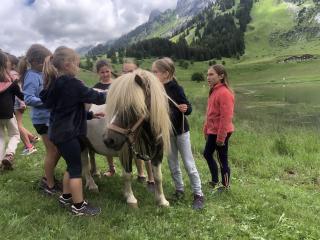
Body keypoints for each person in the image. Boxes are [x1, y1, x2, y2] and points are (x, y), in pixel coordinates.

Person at [40, 46, 106, 216]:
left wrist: (90, 115)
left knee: (71, 165)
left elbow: (67, 109)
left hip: (58, 132)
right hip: (69, 134)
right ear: (68, 64)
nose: (79, 67)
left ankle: (66, 196)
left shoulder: (54, 83)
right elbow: (97, 97)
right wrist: (117, 90)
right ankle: (79, 207)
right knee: (76, 169)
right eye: (77, 63)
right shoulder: (73, 83)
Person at [152, 57, 204, 210]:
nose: (152, 74)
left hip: (181, 131)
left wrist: (185, 108)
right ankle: (179, 190)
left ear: (166, 73)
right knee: (172, 163)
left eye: (155, 72)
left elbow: (188, 108)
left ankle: (198, 194)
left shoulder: (176, 88)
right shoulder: (156, 89)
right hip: (167, 133)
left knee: (188, 163)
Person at [20, 44, 61, 194]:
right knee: (53, 150)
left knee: (57, 150)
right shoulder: (31, 76)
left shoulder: (40, 74)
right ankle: (49, 185)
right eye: (47, 62)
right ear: (37, 62)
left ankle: (48, 177)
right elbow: (29, 98)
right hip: (42, 120)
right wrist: (49, 102)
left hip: (49, 118)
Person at [122, 59, 155, 190]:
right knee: (134, 149)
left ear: (137, 72)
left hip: (143, 124)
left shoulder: (142, 86)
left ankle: (151, 179)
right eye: (124, 71)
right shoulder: (123, 87)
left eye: (130, 71)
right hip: (130, 125)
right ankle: (141, 175)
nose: (127, 74)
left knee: (146, 152)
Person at [203, 64, 235, 190]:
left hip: (222, 132)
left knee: (222, 159)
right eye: (207, 74)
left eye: (211, 74)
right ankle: (215, 181)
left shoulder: (224, 93)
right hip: (213, 131)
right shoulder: (214, 91)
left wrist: (221, 138)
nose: (208, 77)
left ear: (221, 76)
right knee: (207, 154)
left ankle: (225, 185)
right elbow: (210, 113)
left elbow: (225, 118)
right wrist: (206, 128)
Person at [8, 54, 38, 156]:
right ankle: (32, 138)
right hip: (19, 101)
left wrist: (22, 102)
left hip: (17, 102)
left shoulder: (12, 74)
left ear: (12, 65)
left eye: (6, 61)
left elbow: (19, 89)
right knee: (18, 124)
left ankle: (29, 147)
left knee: (18, 125)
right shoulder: (14, 73)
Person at [92, 60, 116, 177]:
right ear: (98, 73)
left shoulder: (117, 83)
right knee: (108, 142)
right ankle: (111, 168)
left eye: (107, 71)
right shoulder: (96, 87)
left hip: (117, 118)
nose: (105, 74)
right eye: (102, 72)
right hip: (103, 118)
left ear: (111, 70)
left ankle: (140, 172)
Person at [0, 51, 23, 170]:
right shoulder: (11, 83)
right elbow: (22, 95)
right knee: (15, 135)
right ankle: (9, 154)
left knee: (1, 137)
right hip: (8, 114)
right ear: (5, 65)